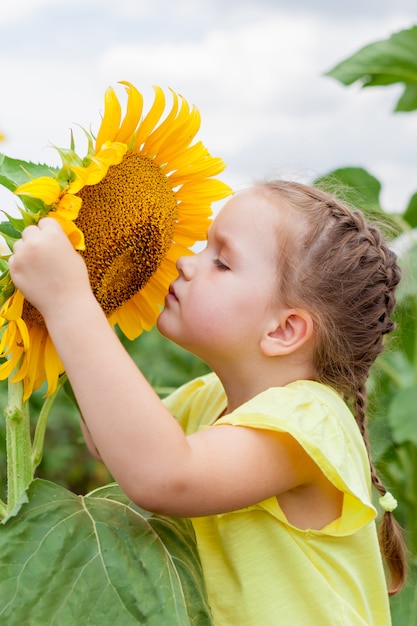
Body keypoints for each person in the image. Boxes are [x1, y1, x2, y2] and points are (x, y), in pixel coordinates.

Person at [9, 179, 407, 625]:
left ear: (283, 330)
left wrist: (69, 302)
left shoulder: (310, 422)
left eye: (220, 261)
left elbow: (161, 475)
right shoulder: (210, 398)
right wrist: (90, 293)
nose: (185, 262)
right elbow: (113, 441)